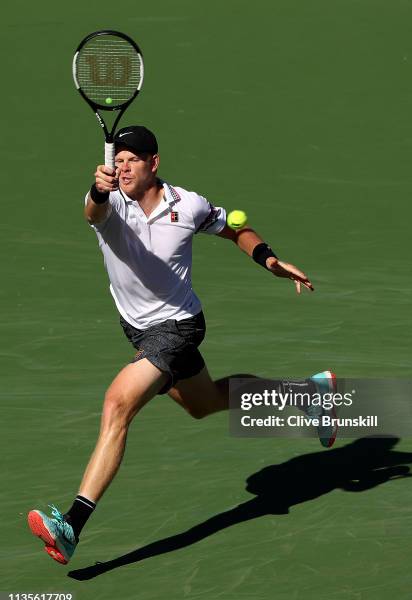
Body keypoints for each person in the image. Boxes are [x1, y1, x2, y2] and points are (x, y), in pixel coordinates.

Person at [27, 126, 336, 565]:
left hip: (179, 326)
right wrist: (97, 190)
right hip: (139, 330)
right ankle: (307, 393)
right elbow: (93, 214)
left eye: (133, 159)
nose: (123, 167)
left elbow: (234, 228)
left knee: (118, 405)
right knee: (203, 403)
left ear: (154, 163)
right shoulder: (108, 201)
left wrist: (268, 259)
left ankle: (71, 525)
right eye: (118, 160)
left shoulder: (187, 204)